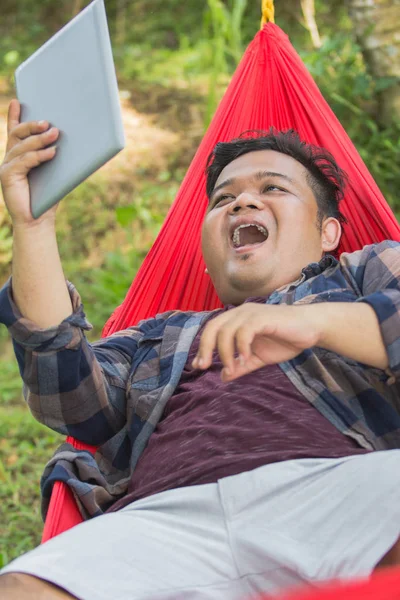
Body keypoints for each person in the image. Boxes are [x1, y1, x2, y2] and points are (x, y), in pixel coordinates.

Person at [0, 97, 399, 600]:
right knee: (22, 588)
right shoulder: (158, 335)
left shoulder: (363, 274)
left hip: (339, 493)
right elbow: (69, 397)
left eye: (273, 188)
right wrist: (33, 225)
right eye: (222, 198)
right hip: (169, 524)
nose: (242, 203)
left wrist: (312, 321)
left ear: (329, 232)